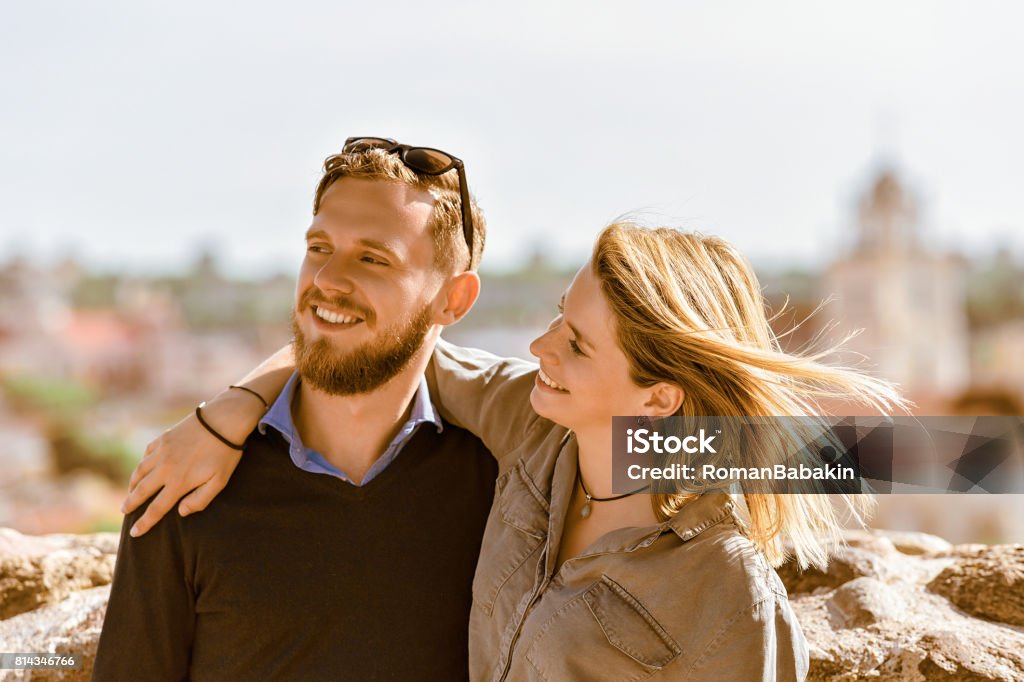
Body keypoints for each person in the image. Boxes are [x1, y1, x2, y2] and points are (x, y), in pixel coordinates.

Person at [125, 225, 906, 680]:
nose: (539, 349)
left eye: (575, 344)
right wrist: (231, 409)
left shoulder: (722, 585)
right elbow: (389, 343)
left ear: (659, 399)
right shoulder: (536, 425)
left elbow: (922, 457)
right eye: (556, 317)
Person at [93, 138, 499, 680]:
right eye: (320, 248)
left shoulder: (506, 472)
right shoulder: (186, 483)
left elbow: (647, 452)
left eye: (373, 258)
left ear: (454, 300)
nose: (327, 280)